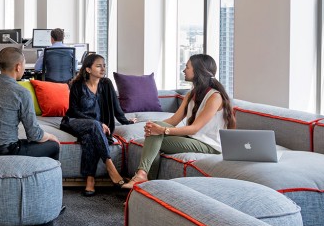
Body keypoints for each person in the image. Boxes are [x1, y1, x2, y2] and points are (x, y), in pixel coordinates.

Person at [121, 54, 236, 189]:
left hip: (209, 145)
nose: (184, 70)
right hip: (193, 139)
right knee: (154, 137)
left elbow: (194, 128)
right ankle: (144, 182)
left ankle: (142, 179)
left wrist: (162, 130)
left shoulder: (215, 97)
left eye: (187, 67)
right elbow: (173, 120)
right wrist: (153, 126)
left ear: (199, 70)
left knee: (155, 137)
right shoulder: (191, 94)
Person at [60, 53, 136, 196]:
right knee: (94, 126)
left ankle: (90, 181)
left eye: (104, 65)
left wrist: (126, 120)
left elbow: (115, 105)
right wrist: (97, 123)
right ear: (88, 69)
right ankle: (111, 167)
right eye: (99, 66)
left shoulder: (106, 84)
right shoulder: (77, 85)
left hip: (96, 127)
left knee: (90, 137)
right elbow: (74, 111)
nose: (103, 69)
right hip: (75, 121)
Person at [0, 47, 60, 159]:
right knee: (53, 146)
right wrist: (50, 136)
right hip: (6, 152)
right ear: (18, 67)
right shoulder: (21, 92)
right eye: (24, 65)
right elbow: (34, 134)